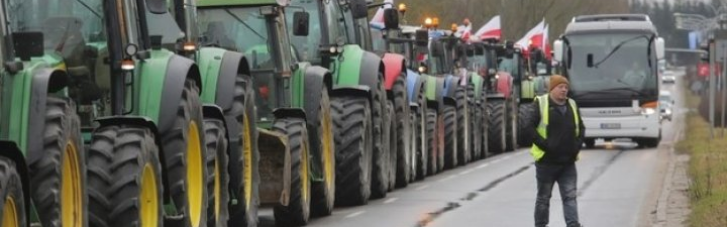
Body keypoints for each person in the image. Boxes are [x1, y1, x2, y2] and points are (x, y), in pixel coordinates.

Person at [529, 75, 585, 227]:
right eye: (560, 87)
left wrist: (576, 147)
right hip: (546, 163)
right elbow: (528, 128)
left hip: (568, 162)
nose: (564, 90)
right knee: (543, 198)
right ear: (552, 89)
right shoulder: (540, 103)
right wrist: (546, 146)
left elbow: (581, 128)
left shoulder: (572, 104)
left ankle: (573, 224)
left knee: (570, 197)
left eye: (566, 87)